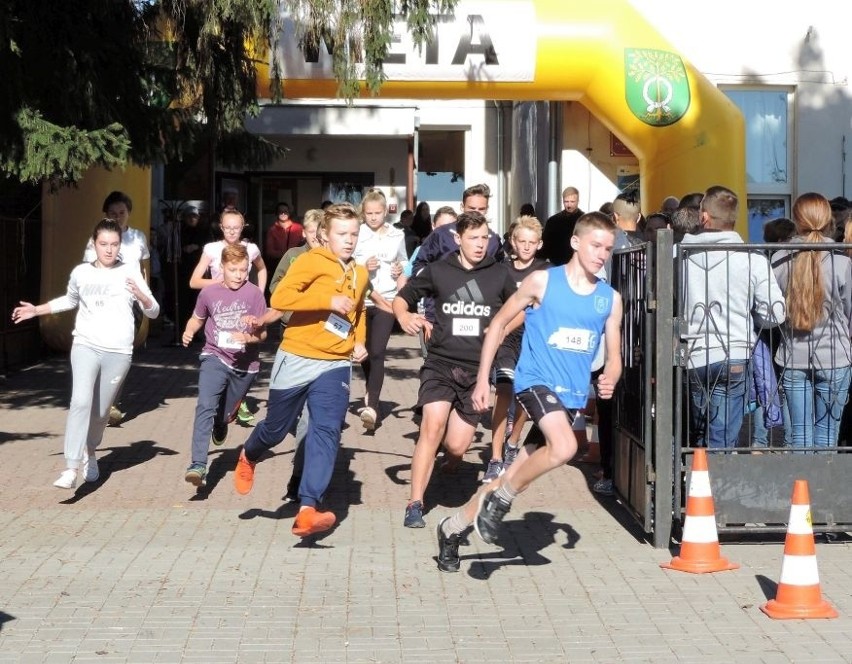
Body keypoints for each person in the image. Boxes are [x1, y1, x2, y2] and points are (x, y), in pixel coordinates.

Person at [434, 212, 623, 572]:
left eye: (608, 248)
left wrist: (610, 376)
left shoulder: (609, 300)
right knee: (567, 447)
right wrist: (483, 379)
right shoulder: (542, 282)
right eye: (596, 245)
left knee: (512, 472)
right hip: (534, 382)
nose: (602, 254)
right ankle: (503, 499)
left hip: (568, 399)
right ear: (575, 243)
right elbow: (498, 325)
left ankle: (453, 528)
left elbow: (614, 358)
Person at [233, 203, 369, 538]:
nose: (349, 240)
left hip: (335, 362)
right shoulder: (309, 261)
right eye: (342, 234)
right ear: (325, 234)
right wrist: (327, 300)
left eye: (354, 234)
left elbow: (359, 309)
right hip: (297, 355)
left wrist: (360, 341)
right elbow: (281, 296)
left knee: (326, 430)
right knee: (277, 429)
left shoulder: (360, 272)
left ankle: (308, 508)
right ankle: (249, 455)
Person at [13, 219, 160, 489]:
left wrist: (142, 294)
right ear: (94, 244)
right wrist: (37, 310)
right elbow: (70, 300)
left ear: (120, 246)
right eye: (103, 244)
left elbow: (154, 311)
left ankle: (90, 452)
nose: (109, 250)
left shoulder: (130, 271)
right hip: (86, 345)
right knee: (80, 401)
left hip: (118, 350)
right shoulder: (81, 272)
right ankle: (70, 467)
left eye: (114, 244)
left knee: (101, 412)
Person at [393, 211, 518, 529]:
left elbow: (522, 310)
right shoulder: (438, 270)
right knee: (431, 428)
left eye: (485, 238)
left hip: (476, 371)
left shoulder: (499, 273)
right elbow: (402, 299)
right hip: (439, 363)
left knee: (457, 445)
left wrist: (501, 327)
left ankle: (451, 458)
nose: (480, 244)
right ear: (457, 239)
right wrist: (405, 317)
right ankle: (415, 503)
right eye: (473, 238)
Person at [681, 186, 785, 450]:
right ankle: (716, 482)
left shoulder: (678, 256)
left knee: (698, 430)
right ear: (734, 219)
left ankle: (697, 480)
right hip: (735, 352)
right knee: (723, 436)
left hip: (694, 352)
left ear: (703, 217)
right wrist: (754, 320)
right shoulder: (751, 257)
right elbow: (775, 312)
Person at [180, 244, 268, 488]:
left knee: (225, 413)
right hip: (214, 355)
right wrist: (188, 331)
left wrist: (249, 337)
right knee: (205, 405)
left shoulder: (254, 295)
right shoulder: (209, 293)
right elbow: (197, 319)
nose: (239, 275)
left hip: (244, 363)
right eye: (233, 270)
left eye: (243, 270)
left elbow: (262, 335)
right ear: (221, 269)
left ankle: (223, 421)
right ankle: (198, 465)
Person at [771, 193, 852, 451]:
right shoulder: (841, 260)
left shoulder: (780, 259)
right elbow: (850, 310)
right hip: (835, 357)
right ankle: (822, 490)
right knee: (827, 434)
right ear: (829, 220)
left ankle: (801, 489)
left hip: (793, 356)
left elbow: (773, 309)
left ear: (796, 221)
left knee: (800, 435)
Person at [482, 215, 548, 483]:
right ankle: (496, 457)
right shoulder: (501, 269)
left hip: (533, 340)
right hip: (506, 340)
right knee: (505, 391)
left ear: (540, 244)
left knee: (523, 397)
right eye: (521, 241)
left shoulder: (545, 271)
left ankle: (514, 440)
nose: (526, 247)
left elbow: (538, 307)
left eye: (532, 242)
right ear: (512, 242)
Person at [190, 209, 267, 423]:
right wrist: (221, 282)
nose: (232, 232)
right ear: (221, 227)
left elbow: (262, 269)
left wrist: (258, 293)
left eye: (236, 227)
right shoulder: (212, 249)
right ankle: (225, 402)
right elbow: (194, 281)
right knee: (218, 357)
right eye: (228, 227)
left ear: (243, 227)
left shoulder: (251, 249)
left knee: (244, 352)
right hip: (220, 309)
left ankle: (237, 402)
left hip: (243, 308)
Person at [83, 191, 150, 426]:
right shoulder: (96, 240)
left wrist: (145, 297)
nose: (118, 217)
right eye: (113, 213)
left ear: (128, 213)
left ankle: (111, 402)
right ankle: (100, 400)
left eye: (122, 213)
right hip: (105, 302)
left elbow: (143, 270)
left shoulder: (138, 238)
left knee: (122, 353)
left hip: (131, 303)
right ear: (105, 215)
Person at [353, 189, 408, 430]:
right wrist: (364, 265)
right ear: (363, 213)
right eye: (369, 213)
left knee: (377, 351)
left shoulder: (397, 234)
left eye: (377, 213)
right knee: (364, 351)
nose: (373, 217)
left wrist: (400, 269)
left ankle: (372, 406)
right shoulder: (357, 234)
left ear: (385, 212)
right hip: (362, 300)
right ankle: (370, 388)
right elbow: (347, 262)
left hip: (386, 299)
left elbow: (405, 261)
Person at [540, 186, 584, 265]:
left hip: (578, 265)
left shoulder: (585, 221)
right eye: (566, 201)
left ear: (578, 201)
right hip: (557, 264)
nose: (569, 205)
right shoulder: (553, 221)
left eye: (572, 201)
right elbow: (545, 246)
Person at [264, 202, 304, 269]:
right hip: (279, 264)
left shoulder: (298, 228)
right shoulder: (272, 230)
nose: (283, 213)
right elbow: (270, 251)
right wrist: (285, 255)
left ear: (289, 212)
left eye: (285, 211)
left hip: (297, 263)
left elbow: (304, 245)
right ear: (276, 213)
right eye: (280, 211)